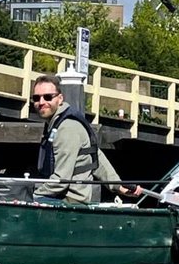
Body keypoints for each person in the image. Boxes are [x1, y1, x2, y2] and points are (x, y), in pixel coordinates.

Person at [30, 75, 139, 204]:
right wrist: (117, 185)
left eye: (48, 97)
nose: (41, 102)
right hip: (63, 197)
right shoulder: (56, 123)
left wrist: (32, 197)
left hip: (68, 201)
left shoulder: (66, 128)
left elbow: (61, 181)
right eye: (36, 98)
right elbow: (94, 155)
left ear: (60, 99)